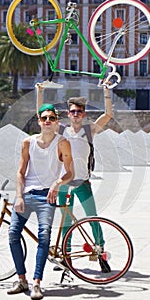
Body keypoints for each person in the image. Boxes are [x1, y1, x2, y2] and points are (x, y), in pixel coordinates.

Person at [36, 83, 113, 273]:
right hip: (64, 183)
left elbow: (108, 115)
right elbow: (41, 116)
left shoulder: (89, 130)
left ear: (84, 114)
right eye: (73, 111)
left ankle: (100, 253)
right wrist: (40, 93)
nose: (76, 114)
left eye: (79, 111)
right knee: (66, 222)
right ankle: (66, 257)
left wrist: (106, 91)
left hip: (82, 183)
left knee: (93, 218)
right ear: (68, 114)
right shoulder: (60, 130)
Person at [7, 103, 73, 300]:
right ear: (38, 121)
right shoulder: (28, 142)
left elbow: (70, 172)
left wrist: (57, 183)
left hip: (47, 196)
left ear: (57, 123)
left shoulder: (62, 143)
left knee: (44, 237)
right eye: (44, 118)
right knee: (12, 234)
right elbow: (20, 172)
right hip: (27, 194)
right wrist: (19, 196)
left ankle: (37, 283)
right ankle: (21, 279)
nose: (47, 121)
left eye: (51, 118)